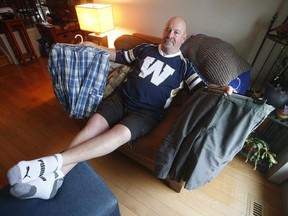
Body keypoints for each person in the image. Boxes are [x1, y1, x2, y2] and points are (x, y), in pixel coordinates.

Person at [7, 16, 234, 200]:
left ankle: (48, 164)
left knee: (117, 135)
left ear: (183, 38)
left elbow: (203, 87)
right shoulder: (146, 48)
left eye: (176, 32)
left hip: (146, 114)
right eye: (168, 29)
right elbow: (119, 55)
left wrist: (223, 88)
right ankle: (55, 179)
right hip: (122, 97)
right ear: (163, 31)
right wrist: (95, 46)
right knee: (91, 128)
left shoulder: (185, 66)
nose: (170, 35)